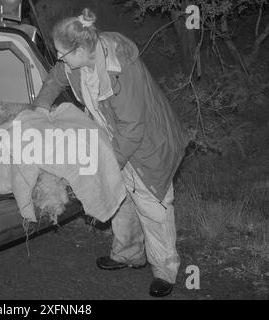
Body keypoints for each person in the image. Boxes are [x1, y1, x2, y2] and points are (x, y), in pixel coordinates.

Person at [31, 8, 188, 297]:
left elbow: (132, 129)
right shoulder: (76, 64)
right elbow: (56, 77)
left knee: (154, 208)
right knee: (120, 199)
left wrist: (106, 166)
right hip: (115, 140)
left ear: (81, 49)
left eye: (62, 53)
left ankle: (166, 270)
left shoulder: (121, 72)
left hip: (147, 148)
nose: (59, 57)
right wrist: (42, 105)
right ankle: (129, 254)